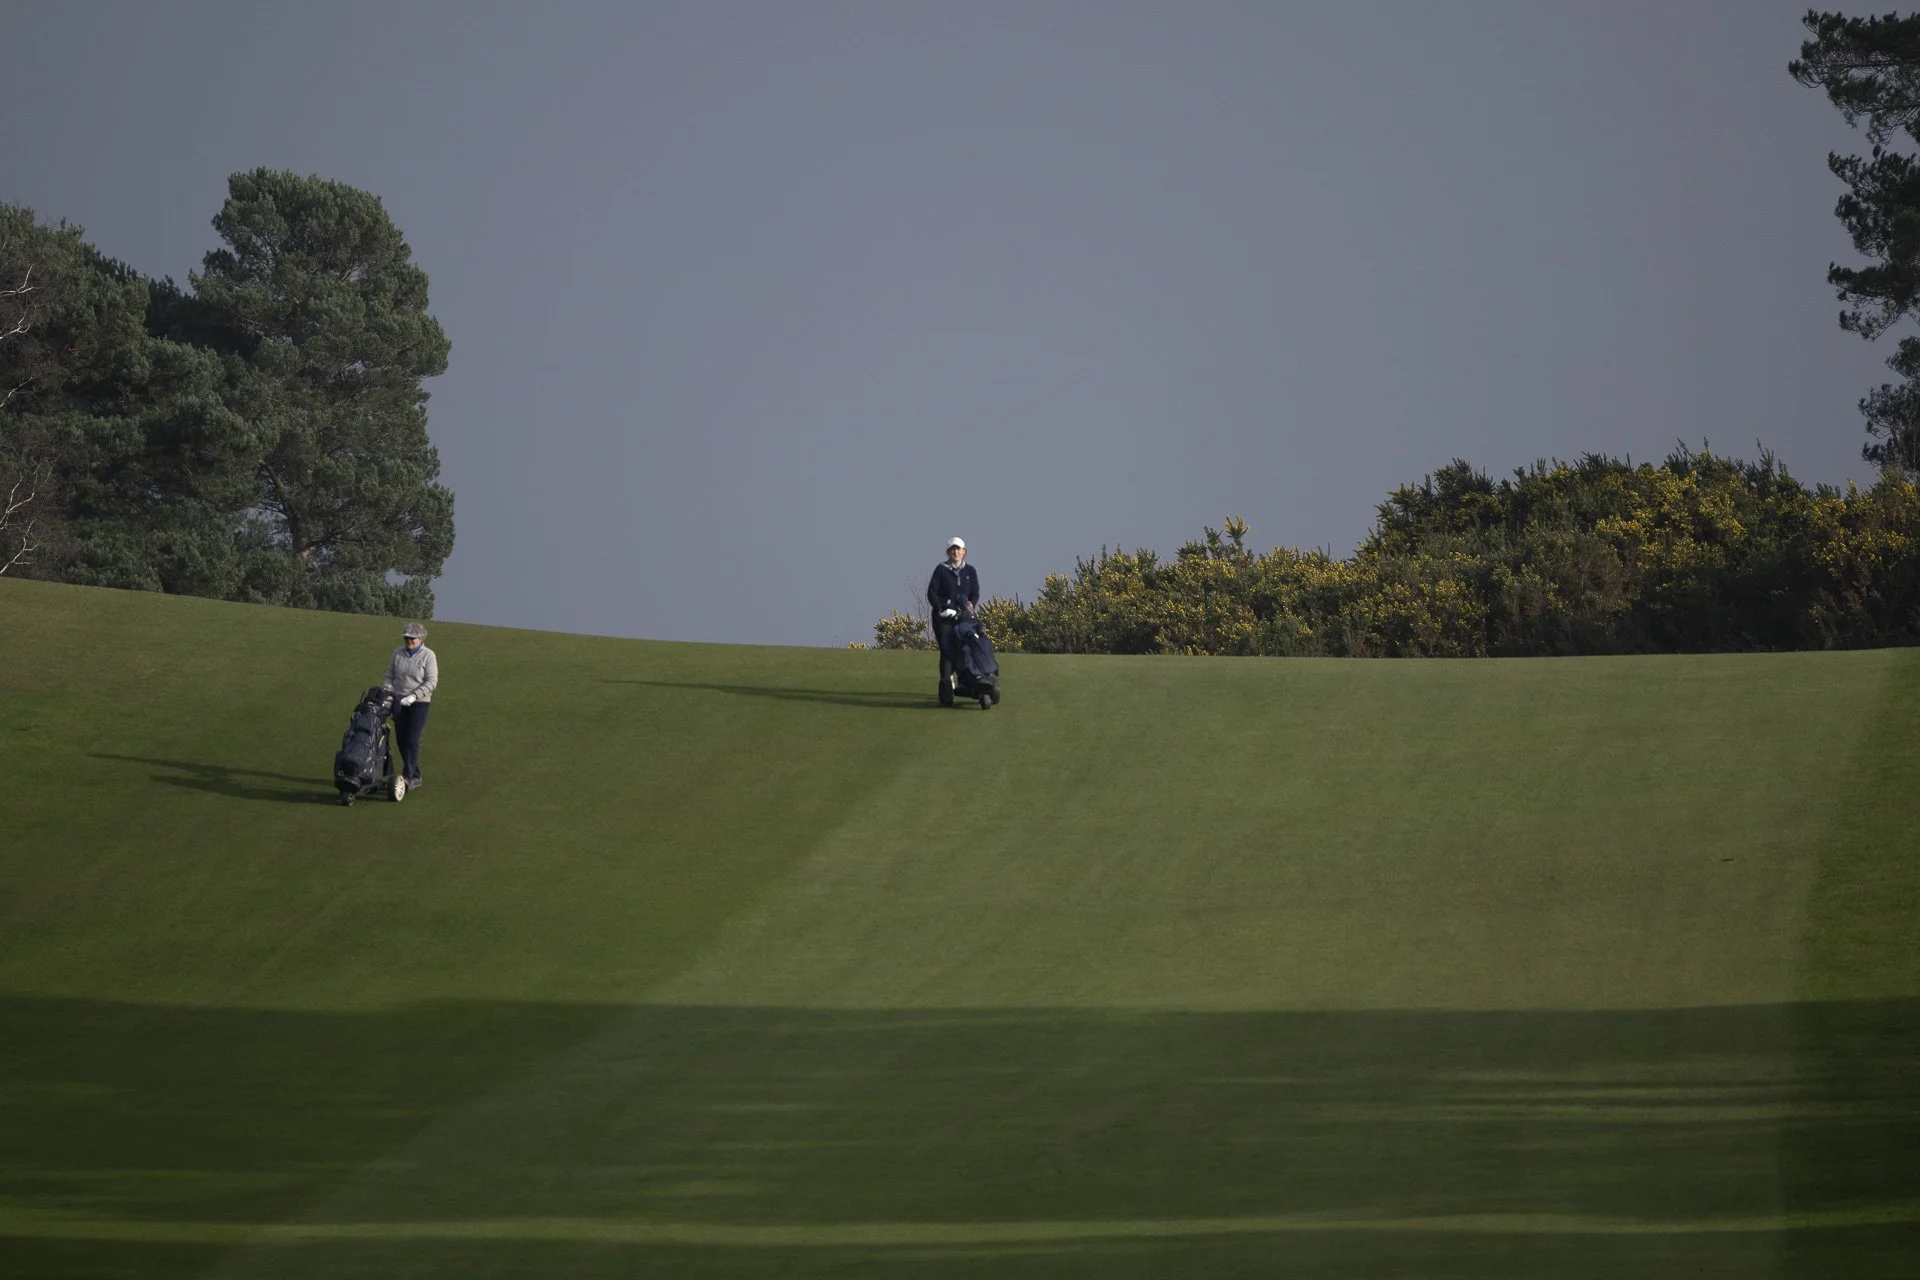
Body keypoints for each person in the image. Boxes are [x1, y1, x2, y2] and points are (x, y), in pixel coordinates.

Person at [382, 622, 439, 791]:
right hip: (398, 701)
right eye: (406, 638)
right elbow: (389, 675)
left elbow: (431, 681)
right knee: (401, 740)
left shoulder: (428, 656)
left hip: (419, 704)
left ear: (421, 638)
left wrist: (415, 696)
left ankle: (409, 777)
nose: (409, 641)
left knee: (412, 740)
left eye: (412, 638)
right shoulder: (397, 653)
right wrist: (389, 691)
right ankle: (415, 773)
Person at [926, 536, 979, 707]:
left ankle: (965, 682)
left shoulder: (970, 571)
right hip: (943, 618)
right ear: (948, 552)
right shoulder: (941, 570)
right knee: (947, 651)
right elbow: (932, 592)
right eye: (952, 549)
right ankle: (946, 689)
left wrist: (969, 607)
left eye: (958, 549)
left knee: (965, 648)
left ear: (964, 551)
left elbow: (975, 594)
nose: (955, 552)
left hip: (962, 617)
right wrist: (941, 607)